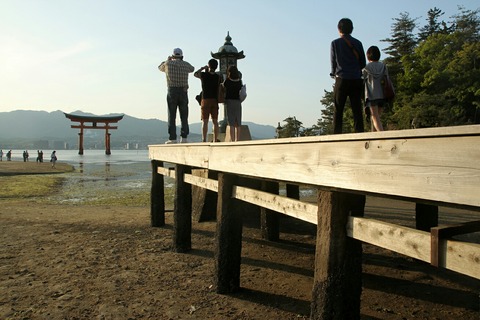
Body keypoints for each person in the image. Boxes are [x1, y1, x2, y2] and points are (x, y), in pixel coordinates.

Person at [330, 18, 366, 134]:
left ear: (339, 29)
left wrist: (333, 73)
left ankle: (337, 135)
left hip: (341, 79)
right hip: (356, 79)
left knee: (338, 109)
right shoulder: (358, 43)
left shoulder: (335, 43)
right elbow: (363, 63)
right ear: (352, 29)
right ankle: (359, 134)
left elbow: (333, 63)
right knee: (357, 109)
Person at [158, 48, 195, 144]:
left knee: (172, 115)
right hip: (183, 91)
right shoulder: (186, 64)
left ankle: (173, 138)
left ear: (173, 55)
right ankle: (184, 138)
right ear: (182, 55)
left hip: (172, 91)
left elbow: (159, 67)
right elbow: (192, 69)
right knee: (184, 115)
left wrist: (168, 60)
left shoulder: (167, 64)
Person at [194, 59, 221, 142]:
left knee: (205, 121)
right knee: (215, 121)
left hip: (205, 99)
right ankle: (215, 138)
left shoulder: (204, 75)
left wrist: (203, 68)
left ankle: (204, 139)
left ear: (209, 65)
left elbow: (195, 74)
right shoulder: (218, 77)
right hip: (214, 100)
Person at [363, 46, 387, 131]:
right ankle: (375, 135)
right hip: (382, 94)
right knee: (377, 117)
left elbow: (362, 79)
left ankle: (382, 135)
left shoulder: (366, 67)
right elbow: (386, 78)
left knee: (375, 117)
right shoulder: (383, 66)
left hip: (371, 95)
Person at [222, 65, 243, 142]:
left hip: (229, 101)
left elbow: (223, 87)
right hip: (238, 102)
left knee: (231, 122)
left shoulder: (227, 81)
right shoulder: (239, 81)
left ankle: (232, 139)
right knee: (238, 122)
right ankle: (238, 139)